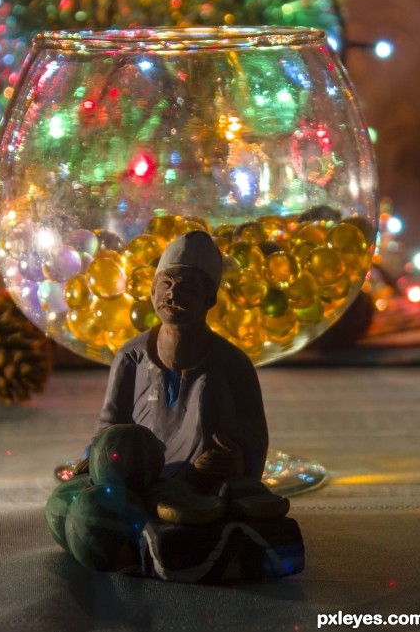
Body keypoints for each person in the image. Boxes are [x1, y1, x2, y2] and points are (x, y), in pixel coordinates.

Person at [45, 231, 295, 575]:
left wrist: (234, 459)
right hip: (137, 481)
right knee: (78, 505)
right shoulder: (131, 357)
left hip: (204, 489)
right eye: (165, 284)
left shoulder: (233, 364)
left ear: (210, 298)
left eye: (187, 286)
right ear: (151, 291)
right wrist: (98, 458)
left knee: (227, 510)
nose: (172, 294)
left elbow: (253, 437)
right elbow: (110, 423)